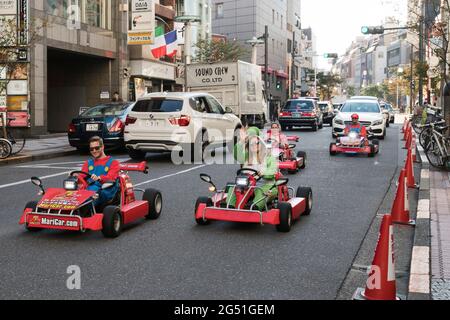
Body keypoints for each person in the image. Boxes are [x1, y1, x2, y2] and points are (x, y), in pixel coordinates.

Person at [229, 128, 278, 211]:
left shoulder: (269, 158)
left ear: (261, 144)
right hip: (247, 184)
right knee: (233, 188)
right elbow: (236, 154)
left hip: (265, 185)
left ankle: (255, 207)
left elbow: (273, 171)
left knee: (260, 191)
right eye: (251, 144)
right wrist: (241, 142)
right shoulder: (246, 157)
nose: (254, 145)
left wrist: (263, 173)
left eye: (257, 143)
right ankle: (230, 206)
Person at [79, 136, 120, 207]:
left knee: (93, 190)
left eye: (97, 148)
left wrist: (99, 178)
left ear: (102, 147)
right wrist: (74, 177)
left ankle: (85, 210)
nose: (94, 151)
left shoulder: (113, 162)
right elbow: (81, 176)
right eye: (92, 149)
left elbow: (111, 177)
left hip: (106, 190)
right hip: (89, 190)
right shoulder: (88, 163)